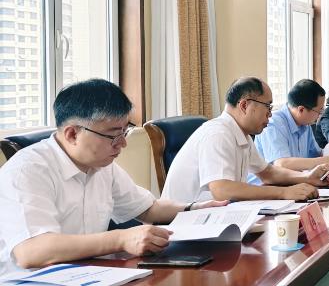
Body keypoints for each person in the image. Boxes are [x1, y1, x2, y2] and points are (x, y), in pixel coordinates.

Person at [0, 79, 224, 273]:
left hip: (85, 279)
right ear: (72, 134)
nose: (123, 144)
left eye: (124, 132)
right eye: (114, 135)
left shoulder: (102, 166)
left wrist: (197, 209)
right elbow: (31, 252)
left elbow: (148, 209)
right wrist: (120, 239)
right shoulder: (27, 171)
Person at [161, 76, 329, 203]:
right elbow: (222, 190)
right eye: (268, 106)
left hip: (216, 216)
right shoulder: (218, 134)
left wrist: (307, 177)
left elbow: (268, 173)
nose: (270, 114)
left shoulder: (241, 135)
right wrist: (283, 193)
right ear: (244, 105)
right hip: (185, 224)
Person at [252, 79, 329, 177]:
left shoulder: (305, 124)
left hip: (295, 181)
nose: (320, 115)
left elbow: (317, 154)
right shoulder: (273, 124)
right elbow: (282, 164)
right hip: (265, 185)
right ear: (301, 109)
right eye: (319, 111)